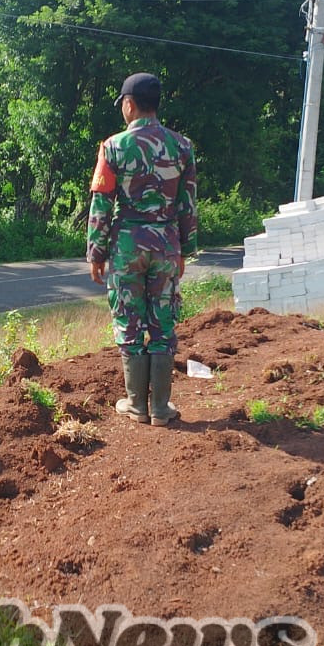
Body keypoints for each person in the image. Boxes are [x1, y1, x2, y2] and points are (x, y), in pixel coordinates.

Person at [86, 72, 197, 427]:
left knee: (129, 322)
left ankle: (137, 405)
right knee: (163, 324)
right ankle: (161, 410)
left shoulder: (113, 147)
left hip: (126, 246)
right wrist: (184, 249)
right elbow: (188, 204)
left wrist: (96, 252)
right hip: (166, 245)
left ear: (129, 105)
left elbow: (101, 204)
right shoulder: (182, 146)